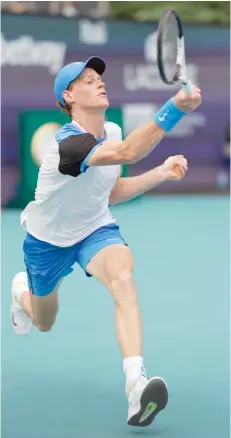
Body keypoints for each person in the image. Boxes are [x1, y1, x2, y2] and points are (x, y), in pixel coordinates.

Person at [11, 56, 201, 427]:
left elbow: (112, 192)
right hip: (47, 242)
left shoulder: (111, 132)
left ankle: (135, 385)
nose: (98, 82)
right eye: (86, 80)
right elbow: (130, 152)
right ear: (69, 96)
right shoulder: (66, 145)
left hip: (95, 228)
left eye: (98, 77)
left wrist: (160, 173)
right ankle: (21, 292)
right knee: (44, 321)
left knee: (123, 280)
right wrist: (174, 107)